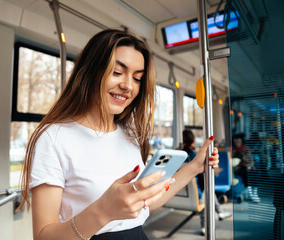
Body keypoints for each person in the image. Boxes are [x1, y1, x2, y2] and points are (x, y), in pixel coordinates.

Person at [18, 29, 219, 240]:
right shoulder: (54, 138)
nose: (127, 86)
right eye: (116, 72)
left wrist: (195, 167)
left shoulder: (129, 135)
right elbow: (43, 236)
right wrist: (103, 211)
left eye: (137, 78)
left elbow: (144, 203)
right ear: (90, 72)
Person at [182, 129, 231, 235]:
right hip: (195, 196)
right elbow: (201, 178)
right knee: (206, 192)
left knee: (205, 192)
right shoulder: (193, 155)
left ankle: (220, 212)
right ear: (193, 140)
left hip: (182, 195)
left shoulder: (179, 155)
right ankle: (206, 224)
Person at [232, 133, 260, 203]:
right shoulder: (232, 150)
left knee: (252, 172)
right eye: (235, 141)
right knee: (246, 172)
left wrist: (248, 165)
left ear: (241, 141)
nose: (237, 143)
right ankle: (250, 193)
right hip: (237, 169)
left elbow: (251, 161)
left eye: (238, 141)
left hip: (247, 168)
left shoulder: (246, 149)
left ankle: (254, 193)